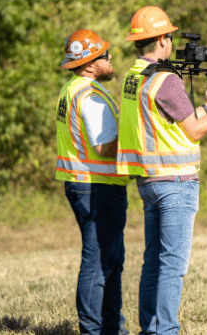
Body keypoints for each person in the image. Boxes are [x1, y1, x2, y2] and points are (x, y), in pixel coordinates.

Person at [116, 6, 207, 335]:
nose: (172, 43)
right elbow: (196, 132)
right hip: (176, 182)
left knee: (154, 261)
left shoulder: (134, 78)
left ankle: (151, 329)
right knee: (172, 266)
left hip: (150, 181)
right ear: (161, 40)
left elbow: (172, 124)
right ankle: (166, 331)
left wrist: (206, 108)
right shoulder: (167, 81)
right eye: (169, 37)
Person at [55, 29, 132, 335]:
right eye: (103, 55)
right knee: (99, 261)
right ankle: (93, 330)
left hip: (84, 183)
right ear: (89, 65)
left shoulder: (72, 89)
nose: (110, 57)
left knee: (109, 259)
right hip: (96, 186)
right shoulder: (90, 96)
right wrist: (134, 136)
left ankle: (113, 328)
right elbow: (103, 147)